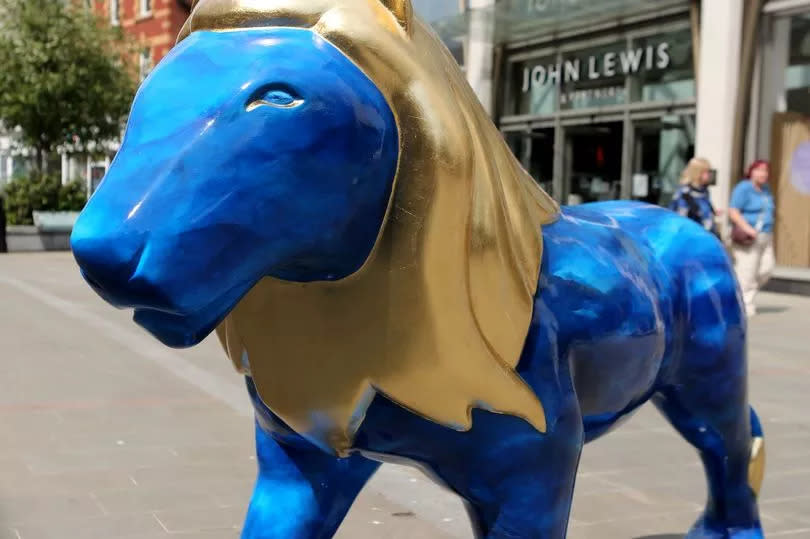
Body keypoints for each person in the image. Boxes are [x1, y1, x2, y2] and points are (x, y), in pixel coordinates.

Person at [728, 160, 775, 317]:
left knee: (767, 268)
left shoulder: (765, 189)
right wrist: (748, 228)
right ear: (751, 171)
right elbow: (733, 211)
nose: (763, 174)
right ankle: (744, 304)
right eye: (759, 170)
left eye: (766, 171)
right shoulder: (743, 188)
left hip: (766, 235)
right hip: (748, 237)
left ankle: (740, 295)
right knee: (747, 271)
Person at [669, 157, 718, 235]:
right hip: (693, 237)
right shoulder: (685, 193)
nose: (709, 174)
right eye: (706, 172)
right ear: (697, 173)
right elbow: (681, 219)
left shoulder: (704, 190)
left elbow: (704, 209)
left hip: (707, 235)